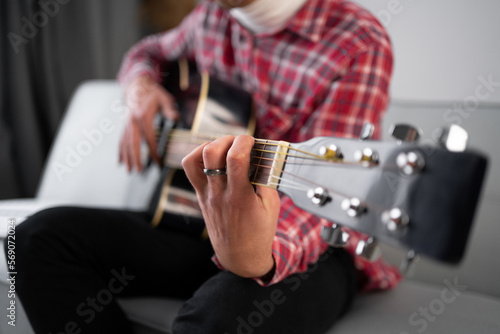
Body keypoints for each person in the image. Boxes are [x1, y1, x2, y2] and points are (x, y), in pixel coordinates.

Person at [12, 0, 401, 333]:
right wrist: (140, 89)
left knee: (218, 321)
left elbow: (326, 195)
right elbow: (147, 52)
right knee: (34, 239)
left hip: (310, 245)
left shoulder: (357, 40)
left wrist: (255, 255)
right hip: (202, 221)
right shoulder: (210, 17)